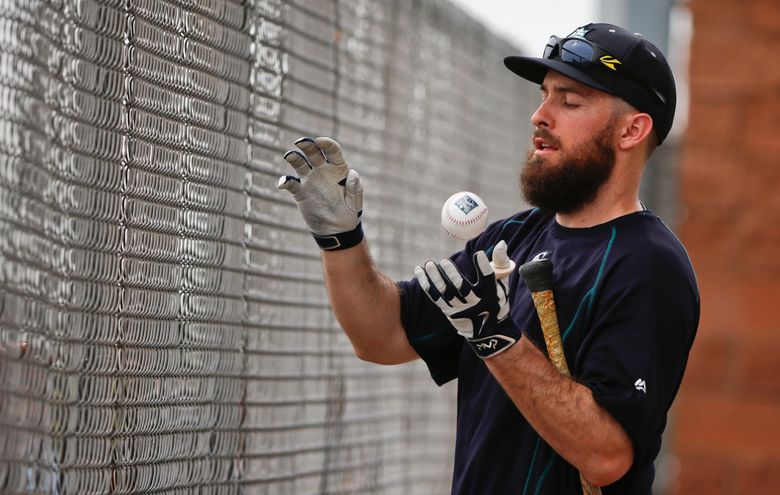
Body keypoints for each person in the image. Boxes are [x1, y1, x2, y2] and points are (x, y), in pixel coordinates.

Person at [278, 22, 699, 495]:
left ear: (631, 130)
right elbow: (382, 335)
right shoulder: (515, 237)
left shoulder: (649, 265)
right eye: (544, 95)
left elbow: (607, 455)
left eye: (570, 100)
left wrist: (495, 335)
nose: (540, 115)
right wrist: (340, 238)